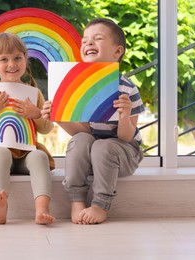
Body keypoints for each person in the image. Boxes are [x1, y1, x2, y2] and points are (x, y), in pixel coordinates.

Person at [41, 18, 144, 224]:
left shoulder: (127, 88)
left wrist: (124, 116)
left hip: (125, 152)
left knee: (103, 146)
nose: (88, 43)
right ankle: (76, 198)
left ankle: (100, 204)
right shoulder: (83, 85)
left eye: (97, 39)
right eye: (85, 40)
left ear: (117, 52)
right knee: (81, 141)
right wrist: (58, 117)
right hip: (94, 152)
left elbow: (126, 136)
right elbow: (84, 132)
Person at [0, 32, 56, 225]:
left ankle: (42, 209)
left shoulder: (33, 93)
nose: (12, 64)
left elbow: (47, 128)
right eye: (4, 59)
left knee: (40, 156)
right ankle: (0, 205)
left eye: (18, 57)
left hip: (26, 154)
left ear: (25, 60)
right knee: (1, 153)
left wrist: (36, 114)